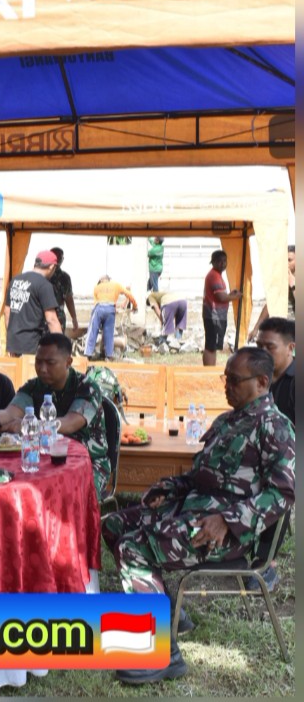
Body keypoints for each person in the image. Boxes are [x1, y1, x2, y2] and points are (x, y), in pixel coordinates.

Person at [102, 347, 295, 684]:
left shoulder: (275, 427)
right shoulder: (228, 421)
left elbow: (284, 492)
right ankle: (168, 610)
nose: (227, 386)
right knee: (114, 524)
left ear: (262, 382)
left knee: (133, 548)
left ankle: (162, 653)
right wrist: (170, 487)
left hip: (227, 534)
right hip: (192, 512)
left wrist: (229, 521)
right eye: (225, 378)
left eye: (234, 380)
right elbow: (201, 477)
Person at [0, 333, 110, 499]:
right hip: (45, 458)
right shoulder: (34, 386)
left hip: (88, 462)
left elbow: (69, 424)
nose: (42, 369)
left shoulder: (86, 387)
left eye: (50, 363)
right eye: (38, 362)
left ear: (68, 362)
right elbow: (10, 413)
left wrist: (28, 426)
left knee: (69, 498)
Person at [248, 317, 295, 591]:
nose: (263, 353)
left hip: (288, 461)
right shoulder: (259, 379)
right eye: (259, 346)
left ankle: (266, 563)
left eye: (270, 347)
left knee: (277, 482)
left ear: (291, 348)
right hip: (261, 453)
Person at [3, 250, 61, 356]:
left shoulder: (15, 280)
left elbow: (7, 312)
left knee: (15, 367)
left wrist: (12, 338)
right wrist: (61, 347)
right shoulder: (44, 285)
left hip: (13, 343)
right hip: (31, 345)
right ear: (52, 267)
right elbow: (51, 319)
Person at [247, 244, 295, 341]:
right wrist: (256, 328)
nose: (286, 264)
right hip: (283, 328)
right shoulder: (280, 279)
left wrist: (293, 285)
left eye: (289, 260)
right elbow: (270, 304)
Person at [202, 250, 242, 366]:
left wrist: (230, 295)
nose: (223, 264)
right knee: (211, 346)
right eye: (220, 261)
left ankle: (210, 369)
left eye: (225, 261)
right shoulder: (214, 276)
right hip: (214, 316)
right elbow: (221, 297)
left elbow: (221, 296)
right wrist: (235, 297)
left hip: (215, 316)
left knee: (212, 346)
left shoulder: (216, 275)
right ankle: (209, 370)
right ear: (213, 262)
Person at [83, 276, 138, 361]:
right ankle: (108, 356)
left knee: (93, 331)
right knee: (109, 333)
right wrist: (135, 306)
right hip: (110, 309)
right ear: (109, 280)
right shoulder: (116, 285)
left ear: (101, 281)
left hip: (99, 309)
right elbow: (129, 294)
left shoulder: (97, 287)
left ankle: (88, 354)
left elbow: (96, 303)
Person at [49, 247, 79, 334]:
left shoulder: (40, 275)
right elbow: (68, 299)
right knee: (57, 340)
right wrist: (74, 318)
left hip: (42, 315)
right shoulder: (64, 277)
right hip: (57, 316)